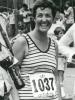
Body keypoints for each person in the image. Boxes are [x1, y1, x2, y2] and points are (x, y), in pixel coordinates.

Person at [12, 0, 62, 99]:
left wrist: (59, 97)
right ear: (34, 18)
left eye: (48, 15)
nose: (44, 19)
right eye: (40, 15)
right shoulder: (22, 42)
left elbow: (55, 76)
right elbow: (11, 77)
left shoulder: (54, 45)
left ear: (53, 18)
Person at [0, 14, 19, 100]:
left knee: (9, 86)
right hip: (5, 55)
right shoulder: (2, 18)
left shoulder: (2, 17)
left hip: (5, 56)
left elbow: (6, 36)